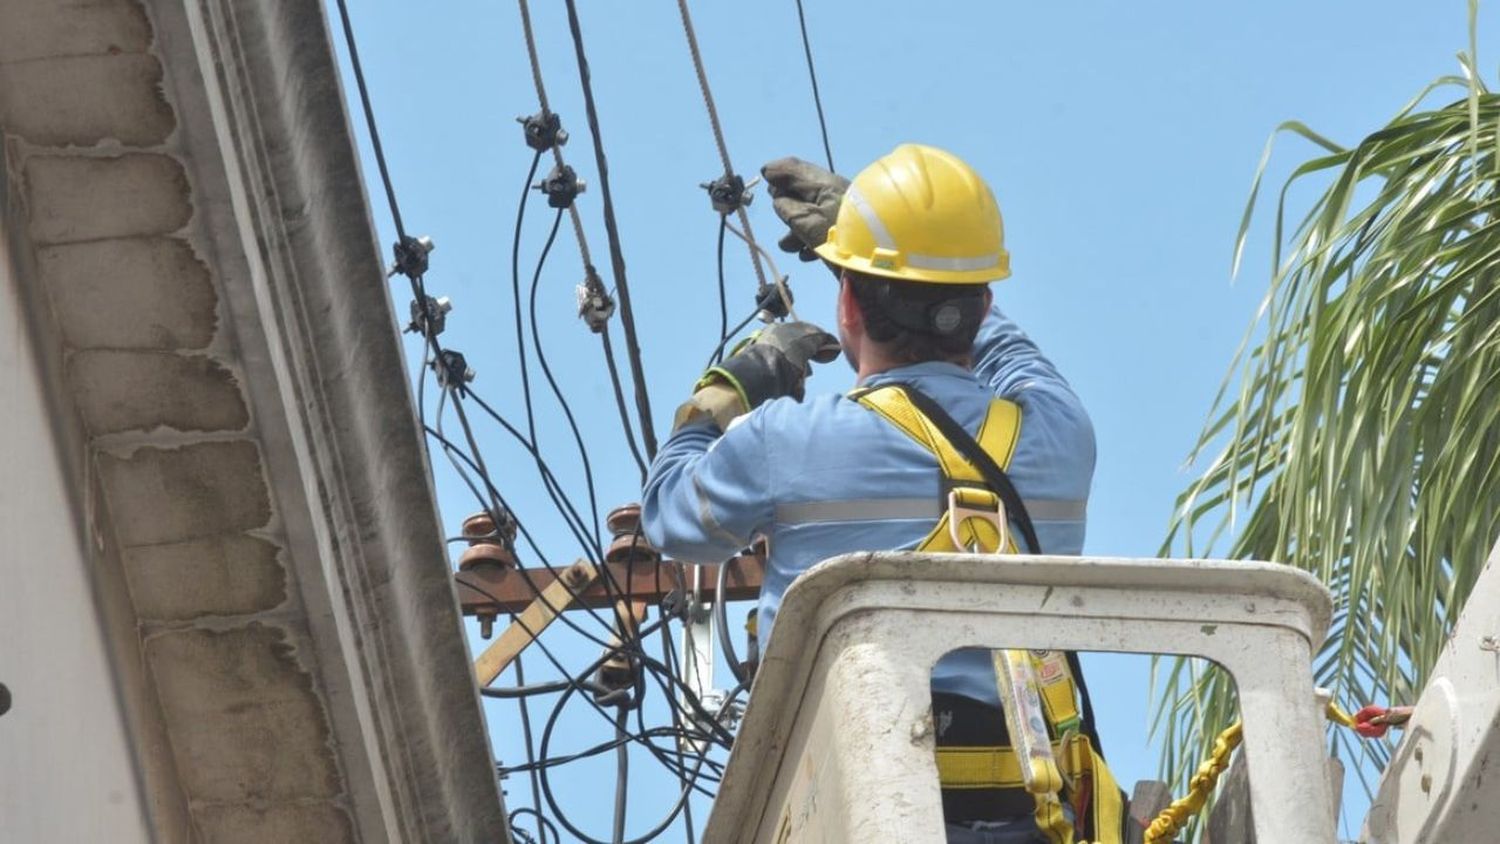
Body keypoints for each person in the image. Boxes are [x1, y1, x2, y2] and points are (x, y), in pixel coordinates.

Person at [642, 144, 1123, 843]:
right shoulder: (1059, 437)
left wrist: (728, 389)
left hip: (849, 811)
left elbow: (669, 516)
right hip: (1033, 816)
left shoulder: (784, 444)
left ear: (846, 305)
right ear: (984, 302)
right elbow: (1011, 352)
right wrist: (890, 255)